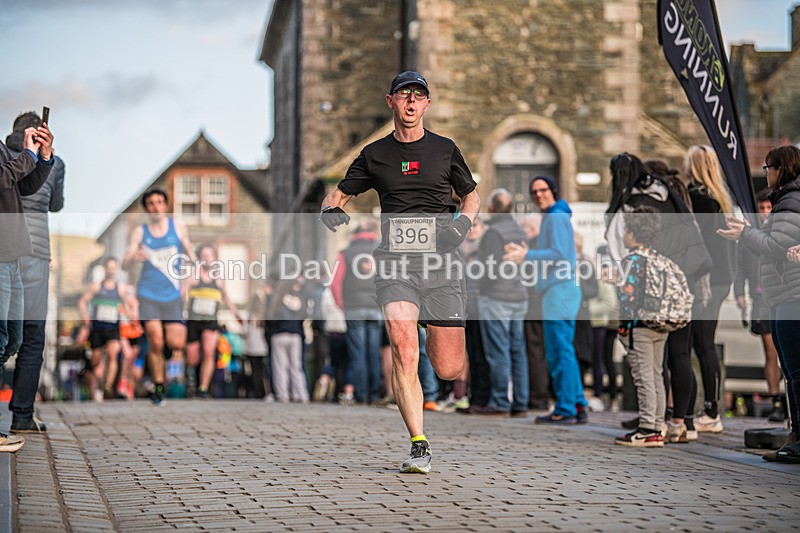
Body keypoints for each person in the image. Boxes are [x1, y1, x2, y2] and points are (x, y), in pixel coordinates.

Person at [319, 71, 479, 474]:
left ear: (426, 105)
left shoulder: (445, 149)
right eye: (404, 95)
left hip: (441, 263)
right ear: (391, 101)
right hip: (396, 263)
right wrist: (330, 211)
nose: (411, 102)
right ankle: (419, 443)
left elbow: (472, 195)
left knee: (448, 367)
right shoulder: (374, 155)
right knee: (404, 348)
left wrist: (462, 223)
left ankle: (431, 323)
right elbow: (335, 195)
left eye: (419, 96)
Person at [607, 154, 711, 443]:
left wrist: (623, 324)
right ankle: (679, 422)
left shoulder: (630, 215)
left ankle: (651, 427)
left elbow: (627, 292)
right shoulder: (670, 196)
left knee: (645, 374)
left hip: (642, 318)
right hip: (673, 306)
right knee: (674, 361)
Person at [719, 145, 800, 463]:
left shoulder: (790, 202)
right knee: (791, 370)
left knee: (795, 371)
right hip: (783, 296)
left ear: (782, 168)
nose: (766, 173)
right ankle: (795, 435)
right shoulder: (786, 202)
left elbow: (777, 245)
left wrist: (746, 233)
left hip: (791, 296)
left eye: (769, 167)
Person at [504, 176, 588, 425]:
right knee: (564, 351)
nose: (539, 195)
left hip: (559, 291)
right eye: (534, 192)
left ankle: (565, 408)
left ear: (553, 190)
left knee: (557, 352)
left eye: (543, 190)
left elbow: (560, 254)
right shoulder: (557, 214)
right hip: (561, 290)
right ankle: (577, 403)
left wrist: (526, 254)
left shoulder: (556, 216)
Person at [5, 112, 64, 433]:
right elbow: (55, 204)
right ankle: (23, 415)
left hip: (5, 247)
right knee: (32, 335)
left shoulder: (5, 155)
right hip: (36, 253)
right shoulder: (54, 160)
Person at [614, 206, 687, 447]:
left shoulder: (631, 261)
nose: (624, 235)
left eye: (626, 230)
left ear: (634, 233)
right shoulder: (660, 260)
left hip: (640, 327)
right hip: (662, 324)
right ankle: (657, 425)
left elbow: (627, 299)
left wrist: (623, 326)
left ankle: (646, 428)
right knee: (656, 375)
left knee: (643, 376)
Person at [122, 188, 196, 406]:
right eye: (151, 203)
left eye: (160, 202)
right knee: (155, 338)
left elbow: (191, 254)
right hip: (148, 294)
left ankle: (164, 350)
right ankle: (159, 385)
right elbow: (125, 263)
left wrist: (190, 276)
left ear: (166, 205)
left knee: (176, 341)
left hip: (173, 294)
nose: (156, 207)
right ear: (147, 208)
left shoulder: (177, 226)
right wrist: (133, 257)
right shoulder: (140, 232)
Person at [685, 145, 736, 432]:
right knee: (704, 343)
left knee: (702, 343)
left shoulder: (698, 198)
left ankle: (711, 411)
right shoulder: (720, 198)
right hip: (720, 278)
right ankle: (711, 408)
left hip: (706, 280)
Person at [473, 189, 529, 417]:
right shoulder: (519, 230)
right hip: (519, 296)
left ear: (491, 208)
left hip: (496, 297)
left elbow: (491, 268)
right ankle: (521, 403)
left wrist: (481, 290)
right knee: (517, 351)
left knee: (498, 352)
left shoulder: (493, 232)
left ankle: (499, 402)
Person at [734, 188, 784, 421]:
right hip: (761, 300)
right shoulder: (749, 237)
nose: (765, 212)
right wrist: (739, 294)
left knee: (785, 351)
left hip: (783, 298)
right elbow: (740, 267)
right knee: (771, 352)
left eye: (768, 208)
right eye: (761, 208)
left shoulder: (784, 231)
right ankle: (776, 400)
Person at [330, 219, 384, 404]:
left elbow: (335, 282)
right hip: (376, 307)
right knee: (374, 351)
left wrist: (341, 304)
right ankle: (374, 393)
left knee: (357, 353)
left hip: (353, 308)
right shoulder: (380, 250)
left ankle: (361, 395)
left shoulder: (345, 253)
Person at [185, 244, 243, 398]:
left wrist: (236, 314)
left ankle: (203, 388)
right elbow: (182, 293)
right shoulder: (194, 276)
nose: (207, 259)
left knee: (209, 353)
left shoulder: (218, 279)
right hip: (194, 321)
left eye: (209, 255)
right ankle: (191, 381)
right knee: (192, 357)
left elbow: (227, 298)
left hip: (210, 322)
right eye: (204, 256)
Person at [78, 256, 135, 402]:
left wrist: (131, 319)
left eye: (113, 268)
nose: (111, 270)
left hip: (112, 328)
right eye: (109, 267)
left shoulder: (120, 288)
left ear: (116, 270)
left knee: (112, 354)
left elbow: (128, 305)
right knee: (96, 360)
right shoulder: (97, 287)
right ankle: (98, 382)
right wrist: (85, 318)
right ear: (105, 269)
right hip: (97, 328)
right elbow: (82, 302)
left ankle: (108, 385)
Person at [521, 213, 550, 410]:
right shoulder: (545, 246)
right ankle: (541, 395)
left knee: (534, 350)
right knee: (540, 350)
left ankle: (538, 396)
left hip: (534, 304)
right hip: (543, 303)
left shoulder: (532, 247)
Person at [267, 279, 310, 403]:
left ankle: (283, 394)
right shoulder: (300, 299)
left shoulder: (276, 300)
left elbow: (270, 318)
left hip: (279, 334)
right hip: (295, 334)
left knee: (280, 367)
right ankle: (301, 394)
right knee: (296, 366)